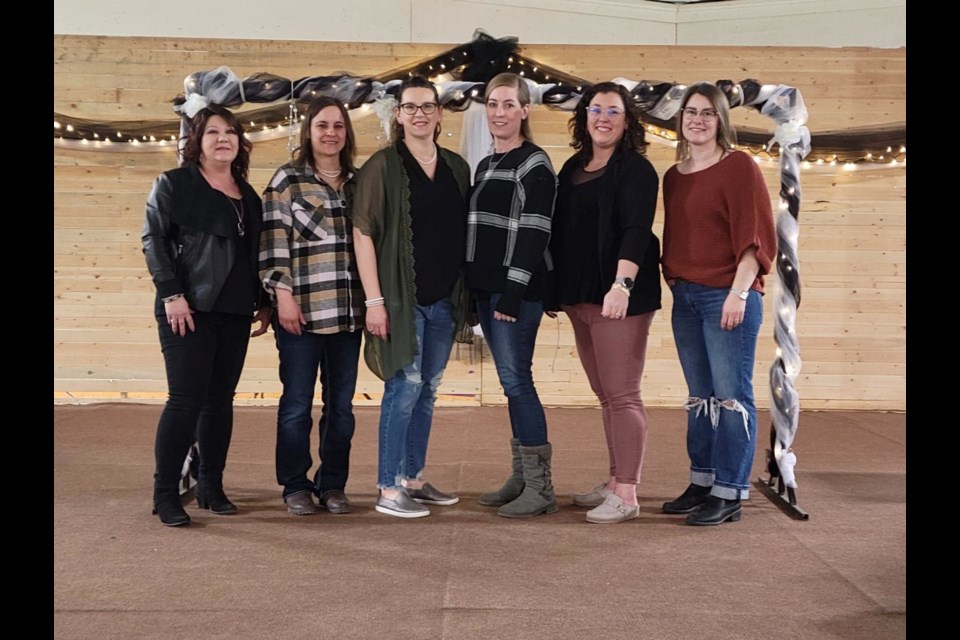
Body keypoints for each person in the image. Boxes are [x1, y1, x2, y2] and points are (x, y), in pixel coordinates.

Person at [142, 105, 270, 527]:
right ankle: (165, 494)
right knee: (184, 401)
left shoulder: (247, 195)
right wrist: (172, 294)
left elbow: (254, 255)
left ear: (239, 142)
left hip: (233, 312)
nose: (223, 139)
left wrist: (263, 301)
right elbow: (154, 241)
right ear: (197, 141)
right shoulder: (174, 184)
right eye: (212, 132)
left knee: (220, 403)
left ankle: (211, 485)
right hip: (188, 309)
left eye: (230, 132)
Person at [352, 76, 472, 519]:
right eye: (410, 107)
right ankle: (387, 487)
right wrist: (374, 301)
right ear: (398, 115)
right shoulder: (382, 166)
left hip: (444, 300)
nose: (419, 114)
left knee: (428, 390)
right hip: (401, 300)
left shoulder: (458, 168)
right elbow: (362, 233)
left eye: (427, 106)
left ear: (440, 114)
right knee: (404, 387)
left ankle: (413, 479)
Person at [660, 82, 777, 526]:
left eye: (708, 113)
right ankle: (702, 480)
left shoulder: (739, 167)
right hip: (686, 297)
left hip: (728, 296)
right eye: (691, 112)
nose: (698, 120)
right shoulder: (675, 176)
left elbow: (756, 238)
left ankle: (729, 491)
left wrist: (738, 293)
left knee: (731, 397)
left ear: (721, 121)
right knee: (700, 398)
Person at [548, 82, 661, 524]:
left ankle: (628, 493)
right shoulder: (574, 166)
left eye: (613, 111)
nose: (603, 118)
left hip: (619, 298)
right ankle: (615, 480)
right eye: (596, 110)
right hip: (581, 298)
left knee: (624, 394)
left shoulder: (636, 170)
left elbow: (637, 230)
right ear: (585, 117)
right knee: (606, 395)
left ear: (627, 121)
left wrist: (622, 285)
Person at [259, 96, 364, 516]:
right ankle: (295, 484)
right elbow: (272, 242)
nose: (330, 133)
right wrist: (282, 297)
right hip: (300, 314)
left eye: (338, 125)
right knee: (297, 405)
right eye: (322, 125)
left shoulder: (359, 182)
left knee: (341, 408)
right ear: (309, 131)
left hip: (349, 314)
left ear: (346, 133)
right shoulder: (287, 181)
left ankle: (333, 484)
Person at [468, 72, 559, 518]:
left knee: (518, 381)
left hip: (516, 293)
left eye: (508, 104)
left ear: (524, 109)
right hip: (488, 290)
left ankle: (540, 488)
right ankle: (521, 477)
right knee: (511, 383)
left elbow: (536, 230)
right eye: (492, 103)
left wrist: (513, 291)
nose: (499, 112)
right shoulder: (486, 165)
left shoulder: (534, 163)